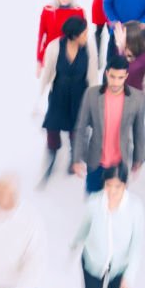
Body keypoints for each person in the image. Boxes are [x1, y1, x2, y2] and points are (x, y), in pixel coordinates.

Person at [71, 164, 144, 288]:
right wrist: (75, 244)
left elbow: (136, 244)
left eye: (117, 186)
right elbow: (86, 225)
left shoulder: (135, 208)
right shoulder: (95, 202)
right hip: (93, 260)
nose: (111, 191)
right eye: (108, 185)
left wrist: (129, 276)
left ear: (125, 185)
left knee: (114, 285)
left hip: (120, 263)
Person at [73, 56, 145, 193]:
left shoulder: (138, 98)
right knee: (93, 199)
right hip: (96, 161)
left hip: (120, 163)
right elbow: (81, 127)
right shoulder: (91, 94)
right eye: (112, 76)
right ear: (106, 73)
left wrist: (138, 158)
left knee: (115, 201)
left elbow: (139, 130)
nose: (115, 82)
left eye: (120, 78)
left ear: (126, 76)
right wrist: (77, 158)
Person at [40, 17, 92, 183]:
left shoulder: (89, 47)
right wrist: (40, 93)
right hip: (59, 93)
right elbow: (48, 71)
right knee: (52, 126)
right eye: (84, 33)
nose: (87, 35)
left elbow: (92, 75)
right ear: (74, 35)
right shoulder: (55, 47)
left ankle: (74, 156)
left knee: (76, 129)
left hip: (79, 94)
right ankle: (53, 151)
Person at [36, 0, 87, 78]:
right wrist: (39, 60)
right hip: (51, 56)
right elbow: (41, 36)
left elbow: (82, 38)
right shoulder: (48, 11)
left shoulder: (79, 12)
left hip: (71, 58)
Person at [115, 20, 145, 92]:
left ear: (131, 40)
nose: (119, 38)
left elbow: (126, 72)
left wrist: (121, 50)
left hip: (134, 92)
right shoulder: (121, 47)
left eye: (122, 36)